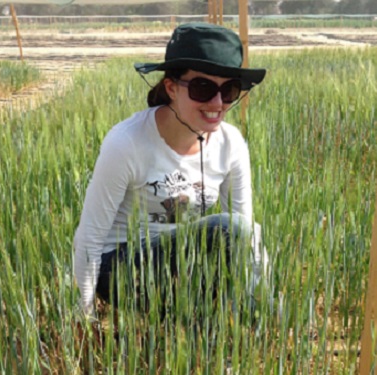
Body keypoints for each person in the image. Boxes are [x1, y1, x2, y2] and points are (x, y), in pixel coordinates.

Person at [74, 22, 267, 318]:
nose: (217, 103)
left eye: (229, 89)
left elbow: (244, 236)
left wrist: (254, 309)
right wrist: (82, 316)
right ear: (171, 88)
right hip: (124, 270)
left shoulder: (232, 144)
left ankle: (202, 330)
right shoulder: (126, 143)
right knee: (233, 229)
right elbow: (90, 236)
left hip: (182, 266)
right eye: (203, 88)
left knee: (240, 233)